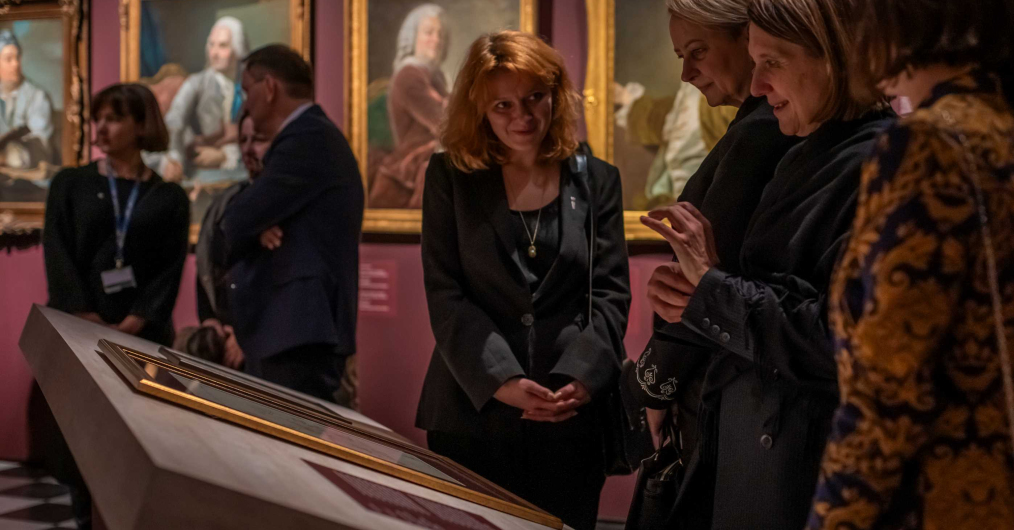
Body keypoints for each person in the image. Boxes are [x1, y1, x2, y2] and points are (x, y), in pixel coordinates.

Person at [638, 0, 894, 527]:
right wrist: (699, 292)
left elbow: (841, 339)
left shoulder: (882, 164)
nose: (757, 85)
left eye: (771, 63)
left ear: (836, 56)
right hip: (757, 449)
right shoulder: (809, 149)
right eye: (755, 64)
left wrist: (710, 289)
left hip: (802, 466)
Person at [806, 0, 1014, 528]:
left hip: (938, 497)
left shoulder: (927, 143)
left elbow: (889, 381)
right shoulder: (997, 128)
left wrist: (836, 516)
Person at [416, 30, 630, 530]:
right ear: (479, 109)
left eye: (535, 97)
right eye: (503, 105)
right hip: (473, 412)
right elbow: (445, 293)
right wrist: (504, 382)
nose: (524, 117)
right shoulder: (449, 176)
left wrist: (583, 377)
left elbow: (610, 292)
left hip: (570, 416)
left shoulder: (596, 179)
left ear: (556, 93)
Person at [629, 0, 799, 492]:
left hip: (721, 381)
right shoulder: (756, 124)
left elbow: (700, 281)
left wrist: (655, 389)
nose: (686, 74)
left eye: (698, 51)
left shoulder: (761, 131)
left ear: (747, 38)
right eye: (681, 56)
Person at [41, 82, 188, 530]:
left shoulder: (168, 197)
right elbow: (58, 254)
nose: (100, 128)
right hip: (78, 333)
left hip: (140, 338)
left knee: (136, 443)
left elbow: (169, 268)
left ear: (141, 125)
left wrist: (133, 322)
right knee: (82, 441)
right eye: (97, 118)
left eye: (114, 118)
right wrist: (84, 317)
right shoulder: (71, 184)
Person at [220, 44, 363, 403]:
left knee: (283, 436)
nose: (245, 105)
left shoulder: (307, 136)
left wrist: (254, 222)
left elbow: (236, 219)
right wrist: (257, 224)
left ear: (269, 87)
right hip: (292, 329)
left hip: (297, 330)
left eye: (246, 91)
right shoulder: (313, 134)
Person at [193, 108, 271, 369]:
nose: (248, 149)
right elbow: (207, 262)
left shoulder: (287, 203)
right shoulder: (226, 200)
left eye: (258, 139)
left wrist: (247, 335)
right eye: (243, 140)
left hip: (264, 343)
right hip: (222, 338)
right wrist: (209, 319)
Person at [370, 3, 450, 208]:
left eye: (440, 34)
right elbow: (443, 121)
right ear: (412, 37)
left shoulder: (436, 76)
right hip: (410, 167)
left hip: (430, 156)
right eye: (429, 33)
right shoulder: (409, 75)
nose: (436, 40)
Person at [158, 16, 248, 182]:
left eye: (222, 46)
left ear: (238, 49)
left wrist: (225, 155)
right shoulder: (196, 83)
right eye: (211, 45)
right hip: (203, 171)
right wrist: (175, 158)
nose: (214, 53)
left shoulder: (248, 85)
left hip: (245, 167)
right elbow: (174, 121)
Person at [0, 29, 55, 169]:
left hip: (26, 173)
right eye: (8, 59)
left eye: (17, 58)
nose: (15, 64)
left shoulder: (38, 96)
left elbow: (41, 144)